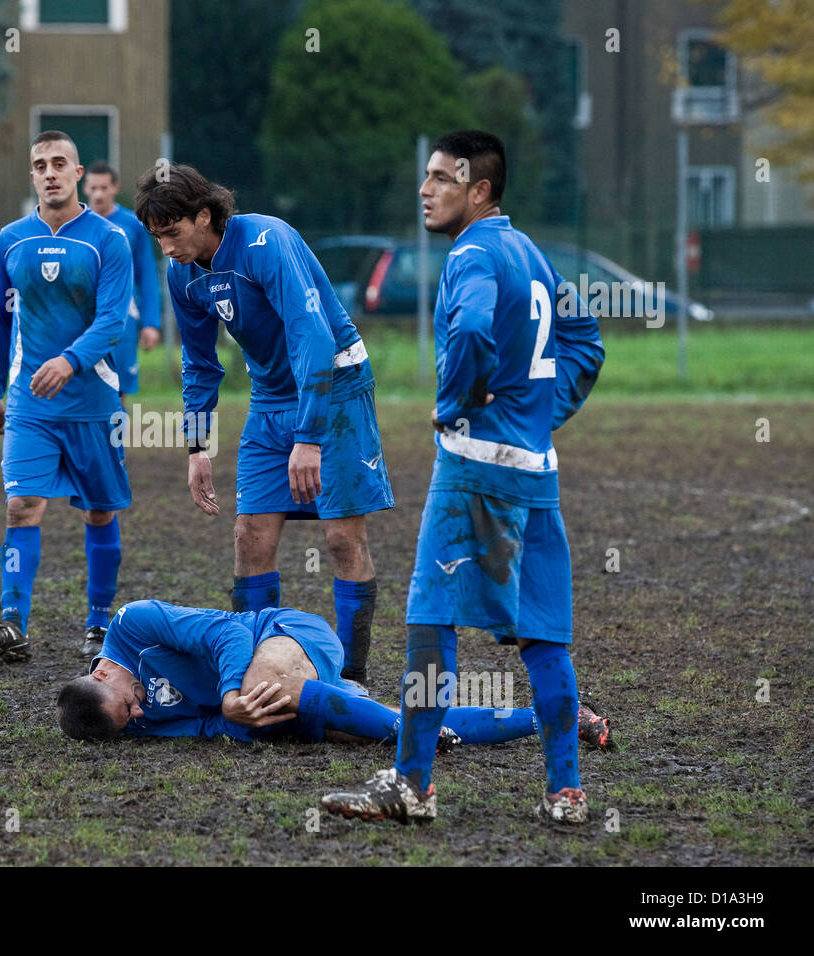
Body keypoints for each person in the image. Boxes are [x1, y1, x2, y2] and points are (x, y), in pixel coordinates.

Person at [320, 131, 605, 825]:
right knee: (542, 633)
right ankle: (565, 793)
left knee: (430, 620)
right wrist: (538, 413)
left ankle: (412, 784)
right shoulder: (529, 251)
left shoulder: (473, 251)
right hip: (534, 468)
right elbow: (586, 340)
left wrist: (455, 404)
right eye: (426, 176)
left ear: (479, 190)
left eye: (443, 177)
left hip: (475, 468)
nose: (426, 189)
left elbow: (474, 328)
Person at [134, 164, 391, 687]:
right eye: (157, 238)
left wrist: (308, 438)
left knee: (341, 537)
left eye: (174, 233)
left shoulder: (266, 243)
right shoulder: (182, 273)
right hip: (271, 395)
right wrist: (197, 447)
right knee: (250, 535)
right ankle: (254, 666)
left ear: (204, 215)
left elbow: (311, 338)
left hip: (334, 387)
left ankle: (352, 675)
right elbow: (201, 363)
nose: (167, 248)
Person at [0, 130, 133, 662]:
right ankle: (12, 623)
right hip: (29, 404)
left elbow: (112, 322)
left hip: (94, 402)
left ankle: (99, 624)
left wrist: (69, 360)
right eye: (40, 164)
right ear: (32, 174)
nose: (50, 172)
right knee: (21, 507)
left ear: (79, 173)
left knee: (100, 514)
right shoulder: (10, 238)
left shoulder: (109, 240)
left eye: (60, 163)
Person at [57, 600, 613, 752]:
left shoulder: (132, 626)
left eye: (126, 704)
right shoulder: (128, 724)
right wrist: (252, 723)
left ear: (104, 671)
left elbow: (227, 634)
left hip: (284, 632)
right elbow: (205, 729)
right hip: (287, 689)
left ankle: (397, 730)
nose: (137, 715)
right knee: (368, 730)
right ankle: (558, 719)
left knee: (255, 690)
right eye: (127, 722)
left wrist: (232, 699)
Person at [83, 161, 161, 397]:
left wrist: (150, 322)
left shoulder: (132, 226)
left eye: (104, 187)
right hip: (83, 317)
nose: (98, 194)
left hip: (123, 318)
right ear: (85, 188)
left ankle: (115, 434)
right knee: (83, 387)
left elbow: (147, 275)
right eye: (93, 187)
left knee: (119, 390)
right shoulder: (75, 224)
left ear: (115, 188)